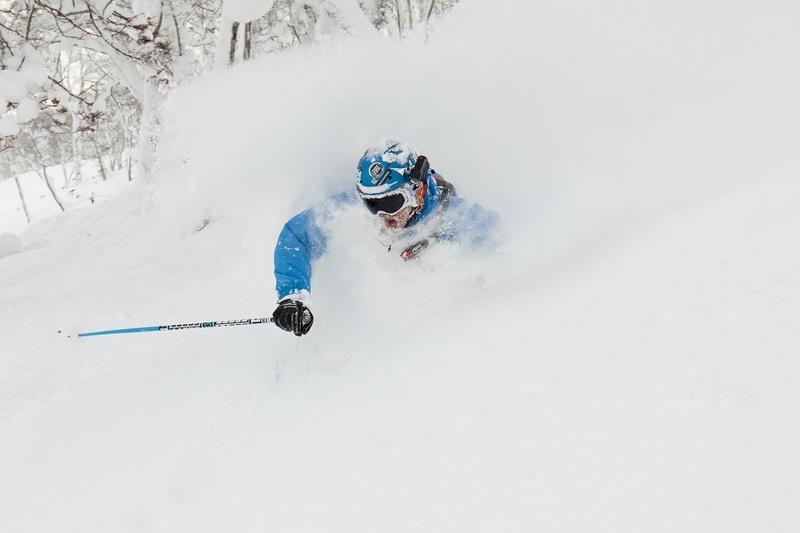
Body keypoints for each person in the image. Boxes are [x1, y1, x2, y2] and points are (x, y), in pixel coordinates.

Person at [271, 137, 499, 336]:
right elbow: (297, 236)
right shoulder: (350, 210)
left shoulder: (455, 219)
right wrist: (294, 296)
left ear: (416, 190)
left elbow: (505, 242)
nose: (381, 214)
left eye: (391, 202)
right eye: (371, 204)